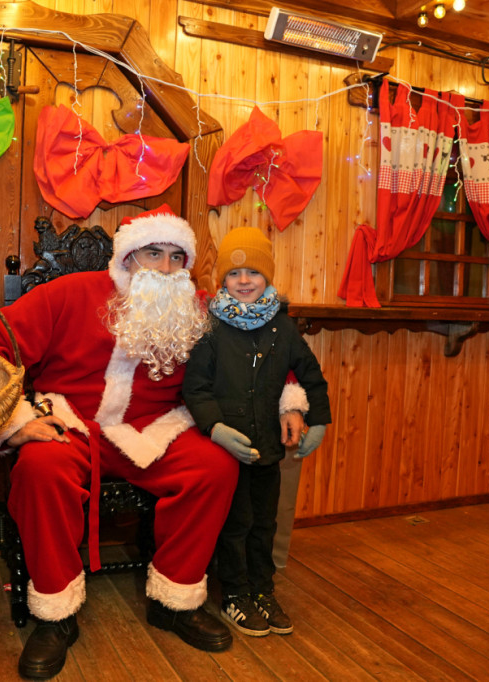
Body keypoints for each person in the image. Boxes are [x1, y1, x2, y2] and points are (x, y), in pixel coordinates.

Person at [0, 205, 239, 679]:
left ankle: (175, 601)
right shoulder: (68, 294)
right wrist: (15, 422)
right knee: (40, 469)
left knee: (215, 465)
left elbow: (258, 345)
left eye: (176, 257)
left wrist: (290, 399)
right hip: (71, 424)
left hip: (156, 429)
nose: (164, 268)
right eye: (152, 253)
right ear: (127, 257)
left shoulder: (197, 309)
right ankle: (55, 614)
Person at [183, 226, 331, 637]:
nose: (243, 281)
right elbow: (195, 387)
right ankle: (234, 594)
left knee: (263, 523)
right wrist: (213, 427)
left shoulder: (282, 328)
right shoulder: (209, 328)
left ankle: (262, 590)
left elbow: (310, 375)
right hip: (228, 452)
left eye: (253, 273)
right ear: (221, 281)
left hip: (267, 447)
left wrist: (318, 418)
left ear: (267, 277)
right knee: (236, 524)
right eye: (234, 274)